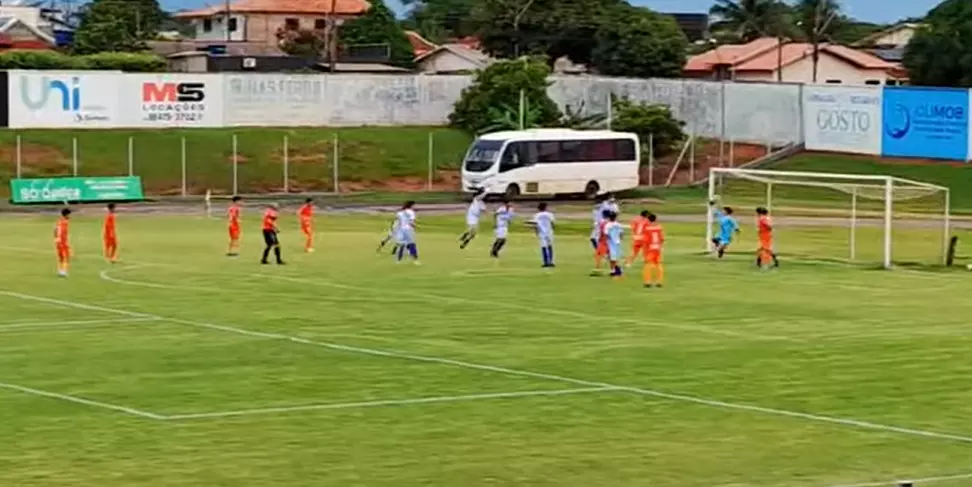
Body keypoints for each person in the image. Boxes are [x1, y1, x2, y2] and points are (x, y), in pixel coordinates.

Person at [641, 212, 665, 288]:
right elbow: (662, 239)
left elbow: (646, 241)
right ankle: (659, 281)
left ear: (648, 219)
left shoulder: (647, 228)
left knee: (647, 264)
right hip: (657, 248)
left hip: (650, 248)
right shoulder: (659, 227)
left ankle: (647, 281)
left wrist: (645, 251)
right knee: (659, 264)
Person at [530, 202, 556, 267]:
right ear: (545, 207)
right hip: (549, 232)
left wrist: (536, 232)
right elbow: (552, 223)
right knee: (549, 246)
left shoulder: (536, 215)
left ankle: (545, 262)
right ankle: (551, 261)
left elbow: (535, 225)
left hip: (541, 233)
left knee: (543, 247)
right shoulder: (550, 214)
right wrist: (552, 229)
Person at [604, 211, 624, 278]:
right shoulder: (618, 224)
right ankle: (616, 269)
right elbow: (621, 234)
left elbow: (606, 235)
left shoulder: (607, 225)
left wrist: (607, 242)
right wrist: (619, 239)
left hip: (611, 243)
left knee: (611, 258)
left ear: (609, 217)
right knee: (616, 257)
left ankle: (614, 271)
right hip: (617, 243)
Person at [591, 209, 611, 274]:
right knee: (609, 255)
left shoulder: (603, 222)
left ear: (603, 215)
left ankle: (597, 269)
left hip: (603, 241)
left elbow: (602, 231)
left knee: (598, 254)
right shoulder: (609, 222)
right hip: (608, 241)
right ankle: (614, 269)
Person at [54, 208, 71, 277]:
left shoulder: (59, 221)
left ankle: (60, 271)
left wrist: (56, 239)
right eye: (69, 214)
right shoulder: (65, 222)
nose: (70, 216)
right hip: (62, 242)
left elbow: (55, 230)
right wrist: (64, 242)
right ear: (66, 214)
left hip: (58, 241)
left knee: (61, 257)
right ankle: (63, 271)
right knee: (66, 257)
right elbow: (63, 233)